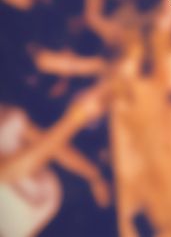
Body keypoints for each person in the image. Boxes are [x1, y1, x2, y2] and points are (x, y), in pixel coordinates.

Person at [0, 94, 110, 236]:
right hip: (42, 229)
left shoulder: (4, 116)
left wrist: (93, 175)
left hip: (57, 190)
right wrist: (77, 117)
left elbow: (49, 146)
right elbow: (12, 171)